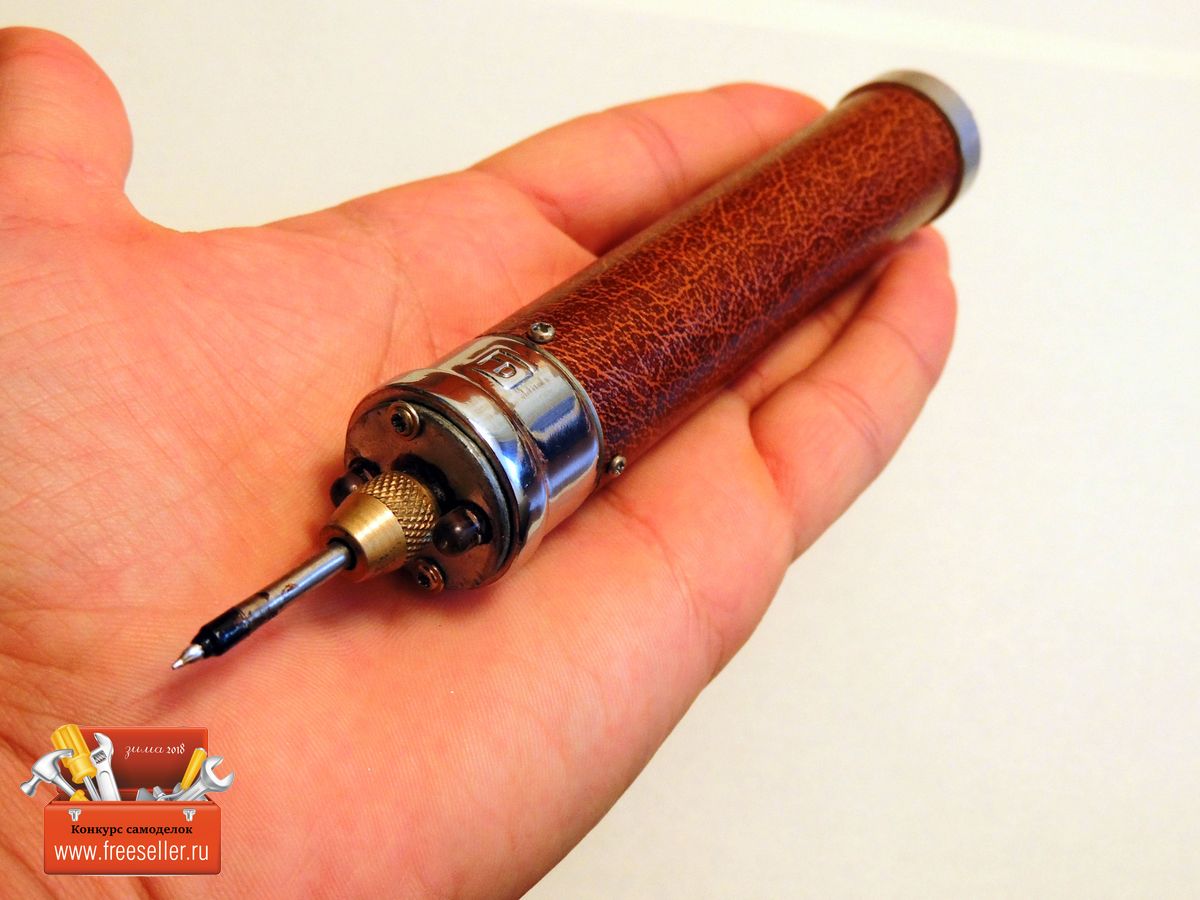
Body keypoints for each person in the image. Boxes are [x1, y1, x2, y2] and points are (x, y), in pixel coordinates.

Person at [0, 27, 956, 897]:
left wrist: (45, 838)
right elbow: (77, 826)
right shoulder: (65, 814)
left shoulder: (54, 821)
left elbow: (63, 825)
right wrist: (49, 837)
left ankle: (922, 131)